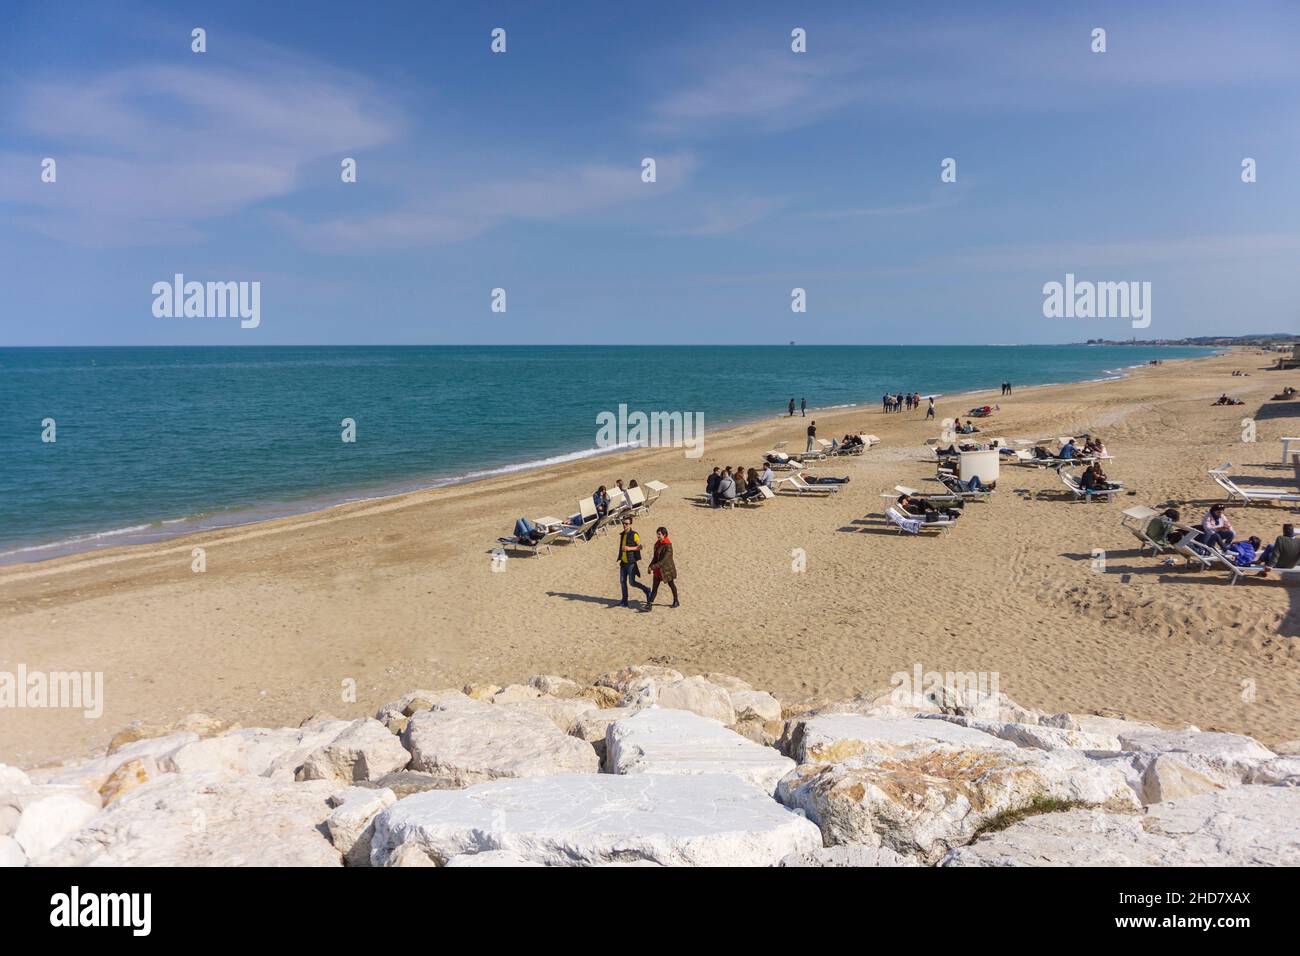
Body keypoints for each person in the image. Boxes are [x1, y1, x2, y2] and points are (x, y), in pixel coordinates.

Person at [615, 516, 652, 607]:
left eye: (626, 524)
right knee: (622, 581)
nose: (624, 525)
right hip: (623, 563)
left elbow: (640, 547)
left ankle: (647, 589)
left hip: (631, 563)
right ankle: (624, 600)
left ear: (630, 524)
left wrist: (629, 548)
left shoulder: (634, 534)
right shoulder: (623, 534)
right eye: (623, 523)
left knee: (632, 582)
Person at [643, 527, 679, 611]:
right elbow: (655, 557)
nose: (657, 536)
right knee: (654, 587)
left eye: (659, 534)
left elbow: (663, 561)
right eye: (657, 534)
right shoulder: (657, 544)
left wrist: (652, 567)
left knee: (671, 585)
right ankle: (649, 605)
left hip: (666, 570)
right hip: (657, 570)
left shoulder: (668, 546)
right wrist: (650, 565)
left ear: (664, 535)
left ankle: (676, 600)